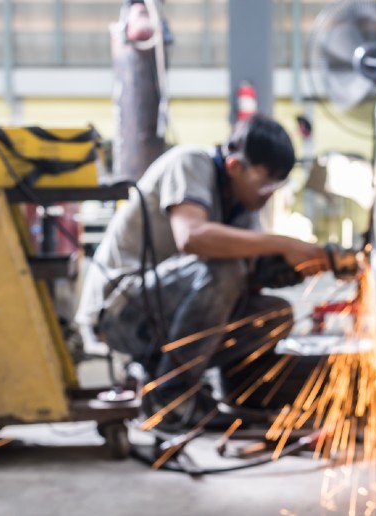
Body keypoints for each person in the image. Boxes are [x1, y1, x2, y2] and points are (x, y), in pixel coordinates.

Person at [75, 114, 327, 423]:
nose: (268, 195)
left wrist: (285, 268)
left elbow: (241, 284)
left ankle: (216, 391)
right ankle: (172, 400)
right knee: (226, 270)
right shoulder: (190, 163)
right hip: (120, 311)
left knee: (273, 315)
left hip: (165, 312)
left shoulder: (242, 207)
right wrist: (284, 244)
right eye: (264, 185)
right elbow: (192, 238)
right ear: (235, 166)